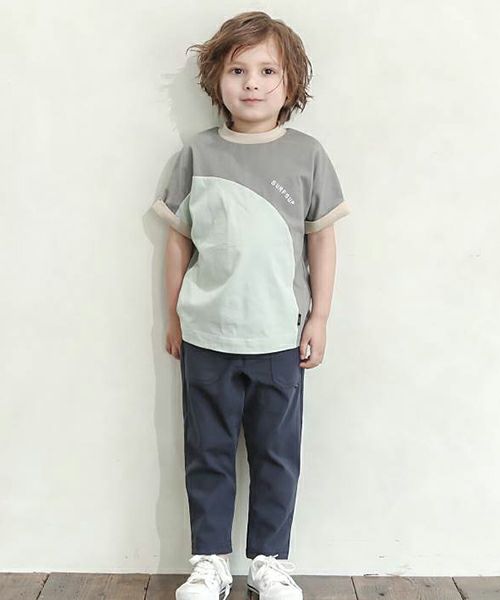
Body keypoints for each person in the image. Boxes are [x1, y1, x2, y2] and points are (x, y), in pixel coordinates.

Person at [153, 10, 351, 600]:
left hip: (280, 338)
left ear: (291, 83)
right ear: (216, 79)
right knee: (207, 453)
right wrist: (174, 316)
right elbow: (178, 242)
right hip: (207, 336)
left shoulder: (308, 155)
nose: (253, 83)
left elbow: (321, 238)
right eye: (238, 70)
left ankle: (270, 561)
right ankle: (210, 561)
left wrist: (320, 317)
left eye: (268, 71)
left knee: (276, 455)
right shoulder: (198, 155)